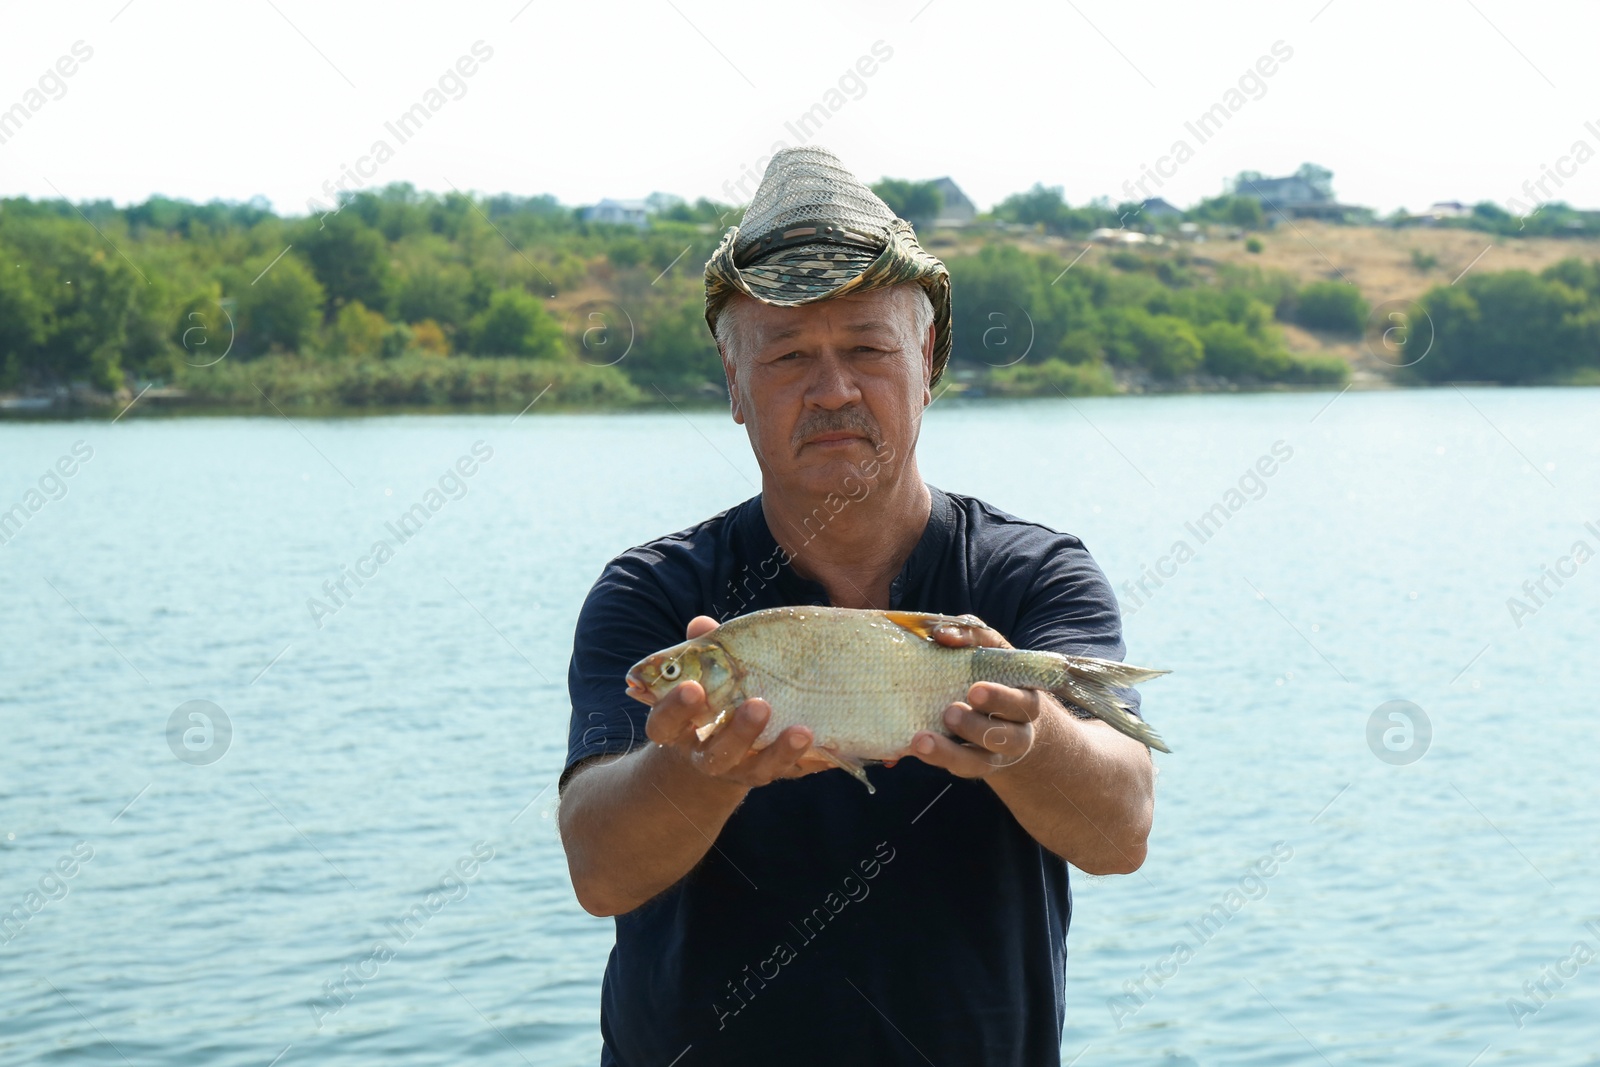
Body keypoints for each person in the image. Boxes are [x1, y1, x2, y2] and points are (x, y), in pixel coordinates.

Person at [558, 146, 1156, 1066]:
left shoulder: (1034, 576)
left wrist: (1027, 738)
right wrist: (701, 771)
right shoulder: (655, 593)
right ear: (733, 384)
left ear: (927, 364)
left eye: (868, 349)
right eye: (790, 355)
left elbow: (1121, 832)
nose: (833, 390)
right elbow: (599, 870)